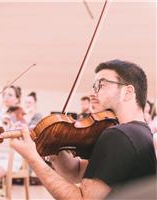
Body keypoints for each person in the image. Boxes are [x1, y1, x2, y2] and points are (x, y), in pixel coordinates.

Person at [10, 59, 156, 199]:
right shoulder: (141, 132)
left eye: (101, 85)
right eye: (94, 86)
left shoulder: (118, 135)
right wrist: (53, 149)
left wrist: (33, 159)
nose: (93, 93)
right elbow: (76, 172)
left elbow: (83, 198)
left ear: (128, 92)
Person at [0, 85, 25, 188]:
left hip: (11, 157)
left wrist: (12, 127)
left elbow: (21, 139)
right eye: (4, 94)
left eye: (10, 95)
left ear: (17, 99)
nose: (6, 97)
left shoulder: (19, 116)